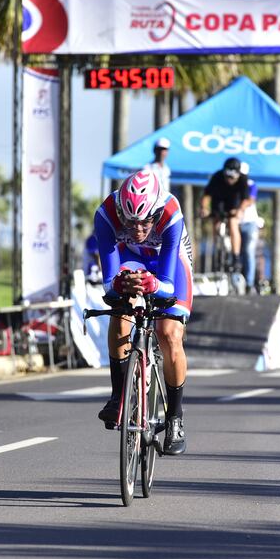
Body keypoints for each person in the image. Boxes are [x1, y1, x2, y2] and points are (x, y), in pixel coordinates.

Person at [94, 168, 192, 456]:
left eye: (144, 222)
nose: (137, 230)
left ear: (157, 212)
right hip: (129, 259)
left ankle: (175, 418)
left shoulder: (171, 213)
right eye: (129, 222)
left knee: (169, 332)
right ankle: (117, 396)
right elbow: (109, 284)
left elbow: (169, 286)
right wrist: (121, 285)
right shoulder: (105, 215)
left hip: (167, 261)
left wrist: (153, 284)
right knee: (120, 311)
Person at [200, 157, 251, 273]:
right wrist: (204, 208)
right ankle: (218, 250)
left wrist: (240, 210)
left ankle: (236, 256)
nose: (229, 180)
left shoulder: (243, 179)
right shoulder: (217, 176)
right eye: (227, 177)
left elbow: (246, 200)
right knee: (216, 223)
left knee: (233, 223)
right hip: (219, 202)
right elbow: (206, 195)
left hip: (234, 204)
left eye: (232, 178)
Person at [238, 161, 261, 292]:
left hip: (250, 224)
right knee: (236, 254)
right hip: (236, 224)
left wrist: (239, 209)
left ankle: (249, 283)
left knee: (248, 252)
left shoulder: (251, 185)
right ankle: (238, 282)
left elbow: (250, 200)